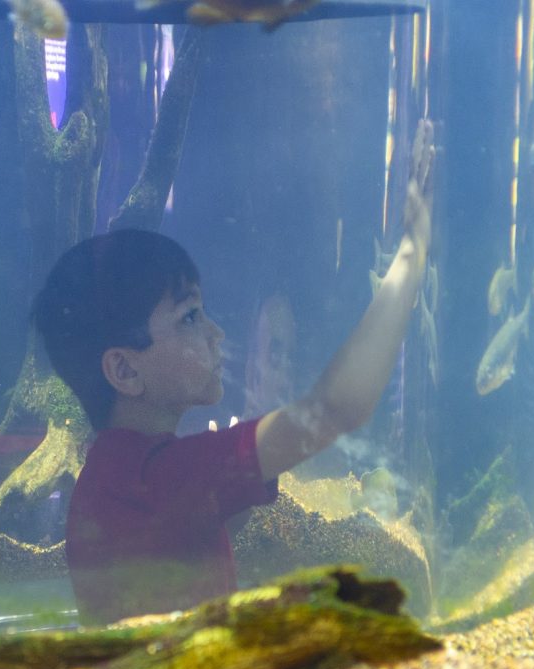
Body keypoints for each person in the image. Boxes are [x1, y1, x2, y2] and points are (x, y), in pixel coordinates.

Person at [32, 119, 435, 625]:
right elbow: (337, 407)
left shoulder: (124, 470)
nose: (217, 334)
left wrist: (225, 479)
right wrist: (411, 254)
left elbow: (178, 535)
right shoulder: (154, 478)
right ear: (123, 370)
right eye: (190, 318)